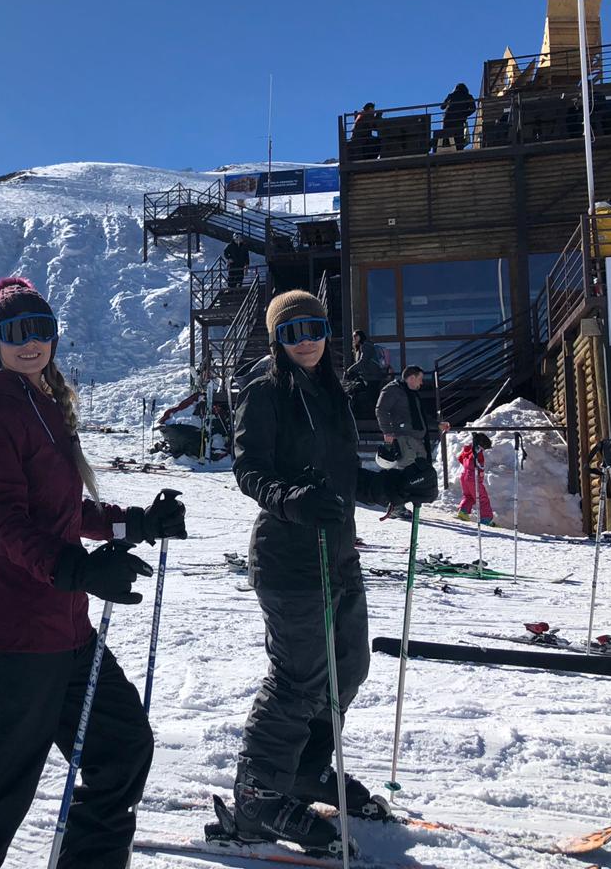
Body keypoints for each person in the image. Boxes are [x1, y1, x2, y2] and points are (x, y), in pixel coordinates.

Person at [0, 276, 187, 869]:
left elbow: (65, 514)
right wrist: (75, 568)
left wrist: (135, 523)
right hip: (13, 636)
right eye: (15, 333)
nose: (29, 341)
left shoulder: (43, 405)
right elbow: (2, 523)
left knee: (120, 751)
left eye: (39, 329)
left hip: (66, 633)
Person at [229, 291, 436, 851]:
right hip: (288, 558)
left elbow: (345, 478)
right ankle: (256, 794)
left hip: (338, 554)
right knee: (298, 677)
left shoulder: (331, 393)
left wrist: (394, 486)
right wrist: (290, 498)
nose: (308, 341)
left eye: (315, 327)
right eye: (293, 333)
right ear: (277, 340)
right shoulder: (265, 391)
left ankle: (306, 769)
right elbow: (248, 468)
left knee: (348, 666)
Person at [374, 366, 449, 520]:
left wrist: (437, 424)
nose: (421, 383)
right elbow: (381, 409)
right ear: (411, 377)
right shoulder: (393, 390)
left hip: (417, 438)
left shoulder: (411, 394)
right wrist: (387, 432)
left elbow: (421, 417)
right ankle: (396, 507)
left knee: (417, 471)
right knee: (405, 469)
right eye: (420, 379)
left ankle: (408, 501)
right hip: (403, 437)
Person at [457, 432, 496, 526]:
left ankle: (463, 511)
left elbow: (460, 458)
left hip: (464, 476)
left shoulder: (468, 449)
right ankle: (486, 519)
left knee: (469, 496)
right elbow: (478, 465)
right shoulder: (477, 453)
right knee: (482, 498)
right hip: (473, 479)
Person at [440, 82, 476, 150]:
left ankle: (445, 148)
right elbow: (473, 108)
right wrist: (465, 114)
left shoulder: (451, 95)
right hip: (460, 120)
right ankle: (459, 149)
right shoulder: (468, 96)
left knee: (447, 136)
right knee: (458, 138)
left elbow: (442, 107)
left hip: (448, 119)